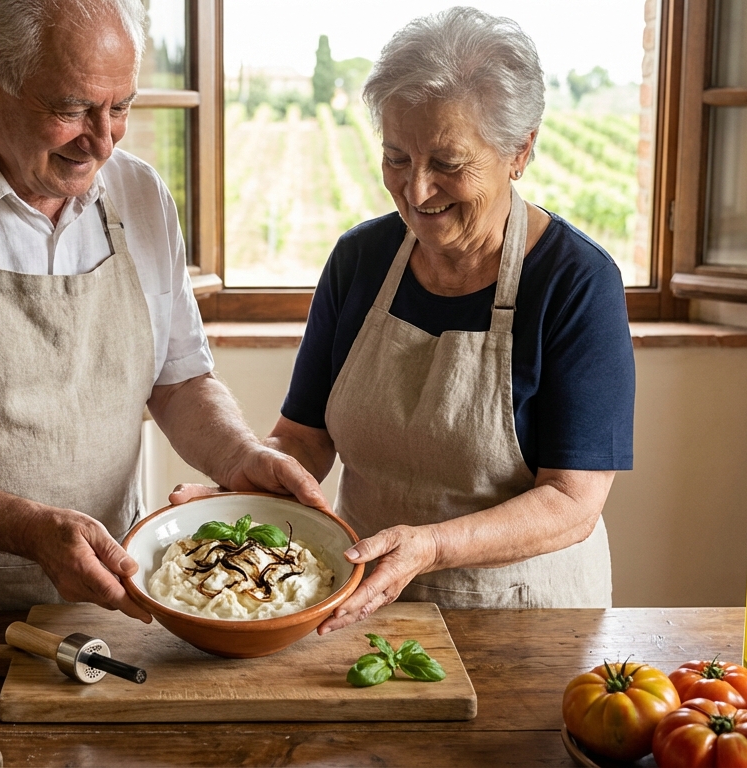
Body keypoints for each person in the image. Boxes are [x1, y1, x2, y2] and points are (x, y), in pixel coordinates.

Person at [0, 0, 325, 617]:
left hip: (108, 604)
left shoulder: (140, 195)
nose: (101, 141)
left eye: (120, 107)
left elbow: (179, 380)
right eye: (72, 109)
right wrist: (30, 530)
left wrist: (240, 457)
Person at [254, 7, 635, 631]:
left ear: (520, 150)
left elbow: (572, 502)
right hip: (362, 604)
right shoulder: (360, 260)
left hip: (524, 616)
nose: (417, 190)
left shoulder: (575, 282)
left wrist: (431, 546)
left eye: (448, 164)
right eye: (396, 158)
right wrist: (239, 495)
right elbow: (303, 438)